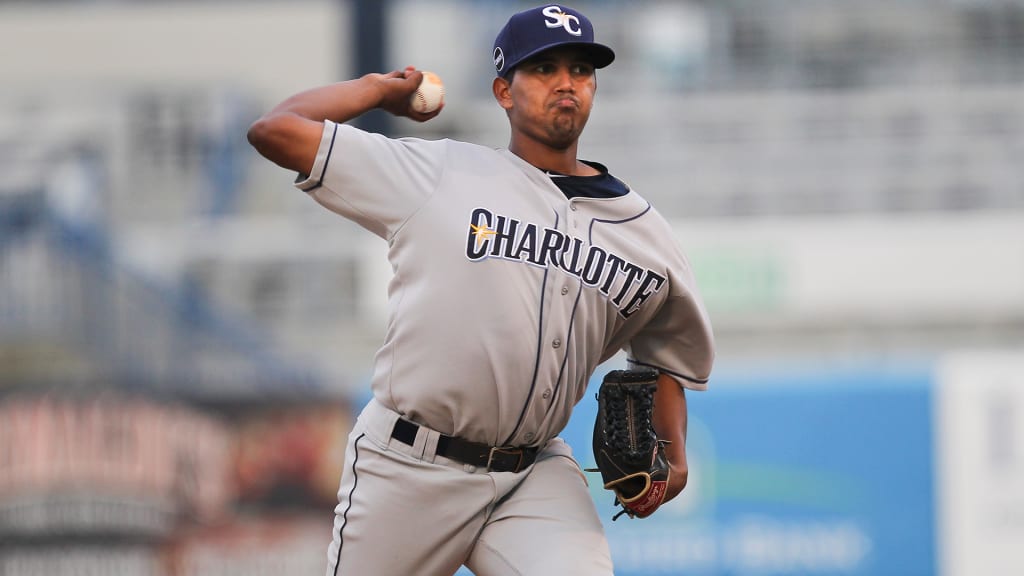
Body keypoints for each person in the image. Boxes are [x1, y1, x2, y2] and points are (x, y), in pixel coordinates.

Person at [247, 4, 714, 575]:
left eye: (580, 69)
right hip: (409, 465)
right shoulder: (438, 173)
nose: (565, 82)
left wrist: (676, 455)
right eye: (543, 69)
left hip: (533, 476)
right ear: (503, 91)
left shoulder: (643, 231)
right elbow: (275, 131)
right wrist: (375, 89)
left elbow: (669, 352)